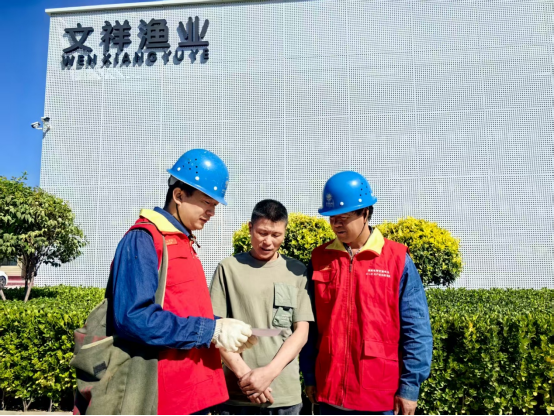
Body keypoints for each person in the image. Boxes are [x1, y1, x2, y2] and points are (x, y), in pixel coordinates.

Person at [107, 149, 256, 415]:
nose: (212, 212)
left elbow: (184, 312)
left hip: (194, 394)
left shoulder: (182, 242)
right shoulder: (144, 239)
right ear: (178, 195)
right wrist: (211, 330)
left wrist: (222, 326)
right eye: (206, 202)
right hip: (164, 398)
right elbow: (133, 318)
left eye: (215, 205)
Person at [300, 171, 433, 416]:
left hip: (379, 397)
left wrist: (410, 387)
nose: (336, 224)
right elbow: (309, 325)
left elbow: (417, 329)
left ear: (366, 213)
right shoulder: (320, 258)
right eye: (332, 218)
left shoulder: (397, 260)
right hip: (329, 392)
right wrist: (309, 375)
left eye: (344, 217)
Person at [210, 200, 314, 415]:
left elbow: (301, 332)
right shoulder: (228, 269)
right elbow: (215, 330)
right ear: (250, 228)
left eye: (276, 235)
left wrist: (268, 374)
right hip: (239, 395)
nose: (268, 241)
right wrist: (247, 378)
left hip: (284, 396)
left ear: (284, 232)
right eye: (262, 233)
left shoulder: (296, 271)